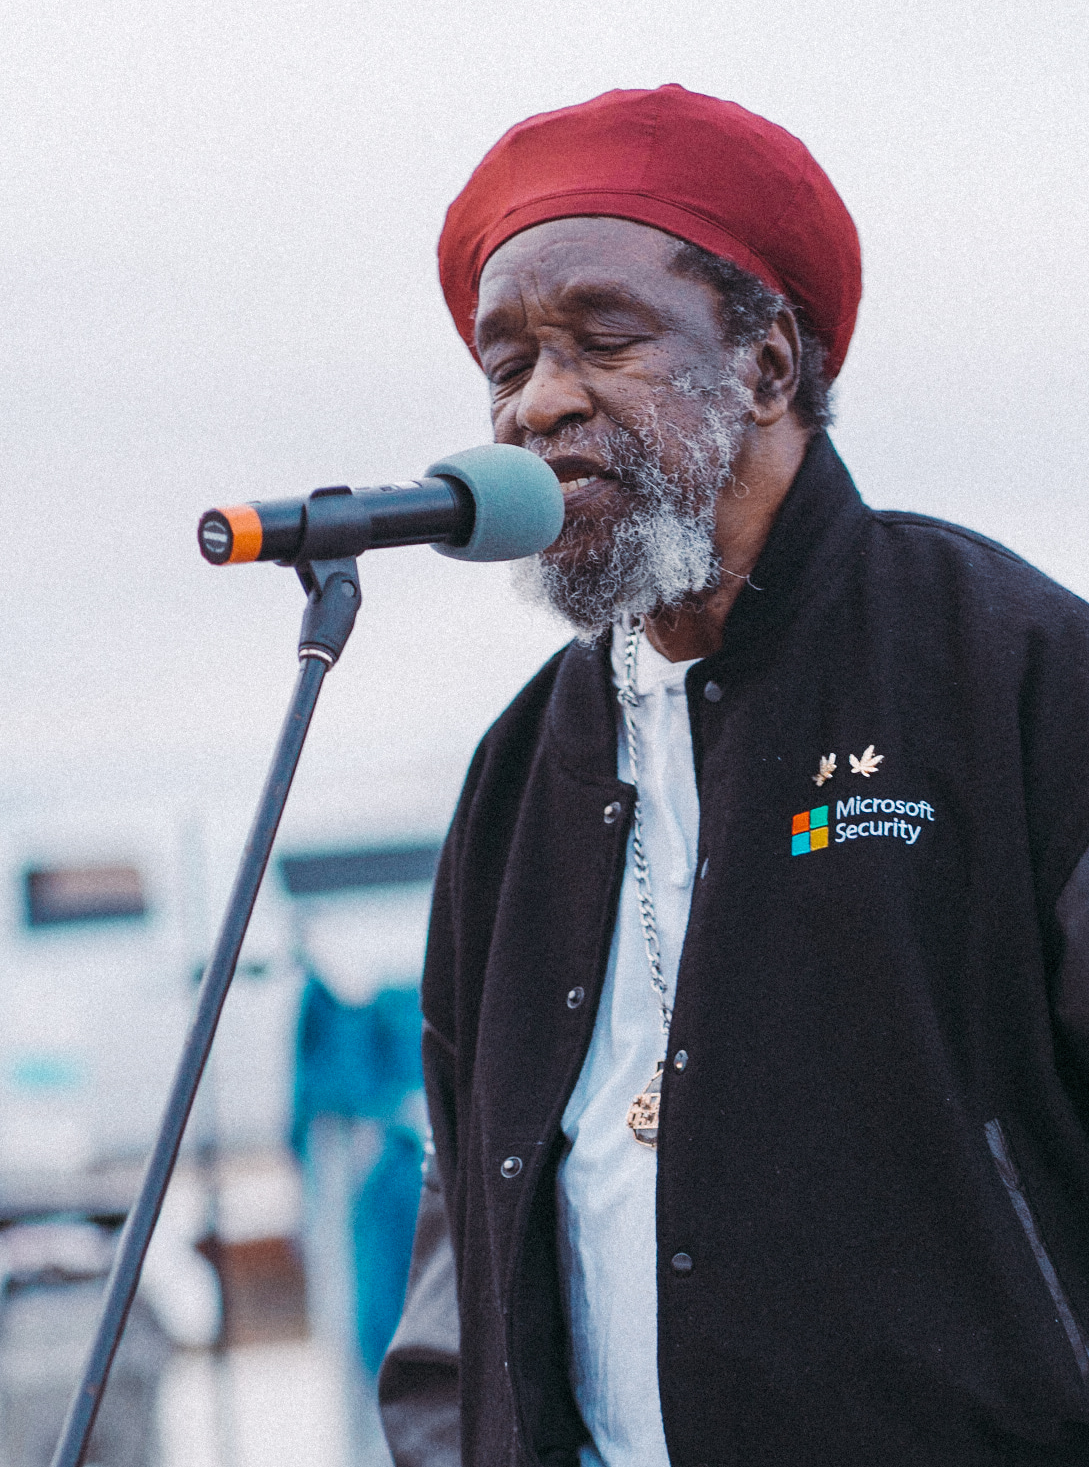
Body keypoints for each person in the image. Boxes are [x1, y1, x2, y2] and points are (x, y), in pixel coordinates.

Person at [378, 84, 1089, 1466]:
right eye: (506, 362)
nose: (539, 402)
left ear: (767, 366)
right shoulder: (518, 770)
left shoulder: (1012, 670)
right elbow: (460, 1219)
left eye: (603, 336)